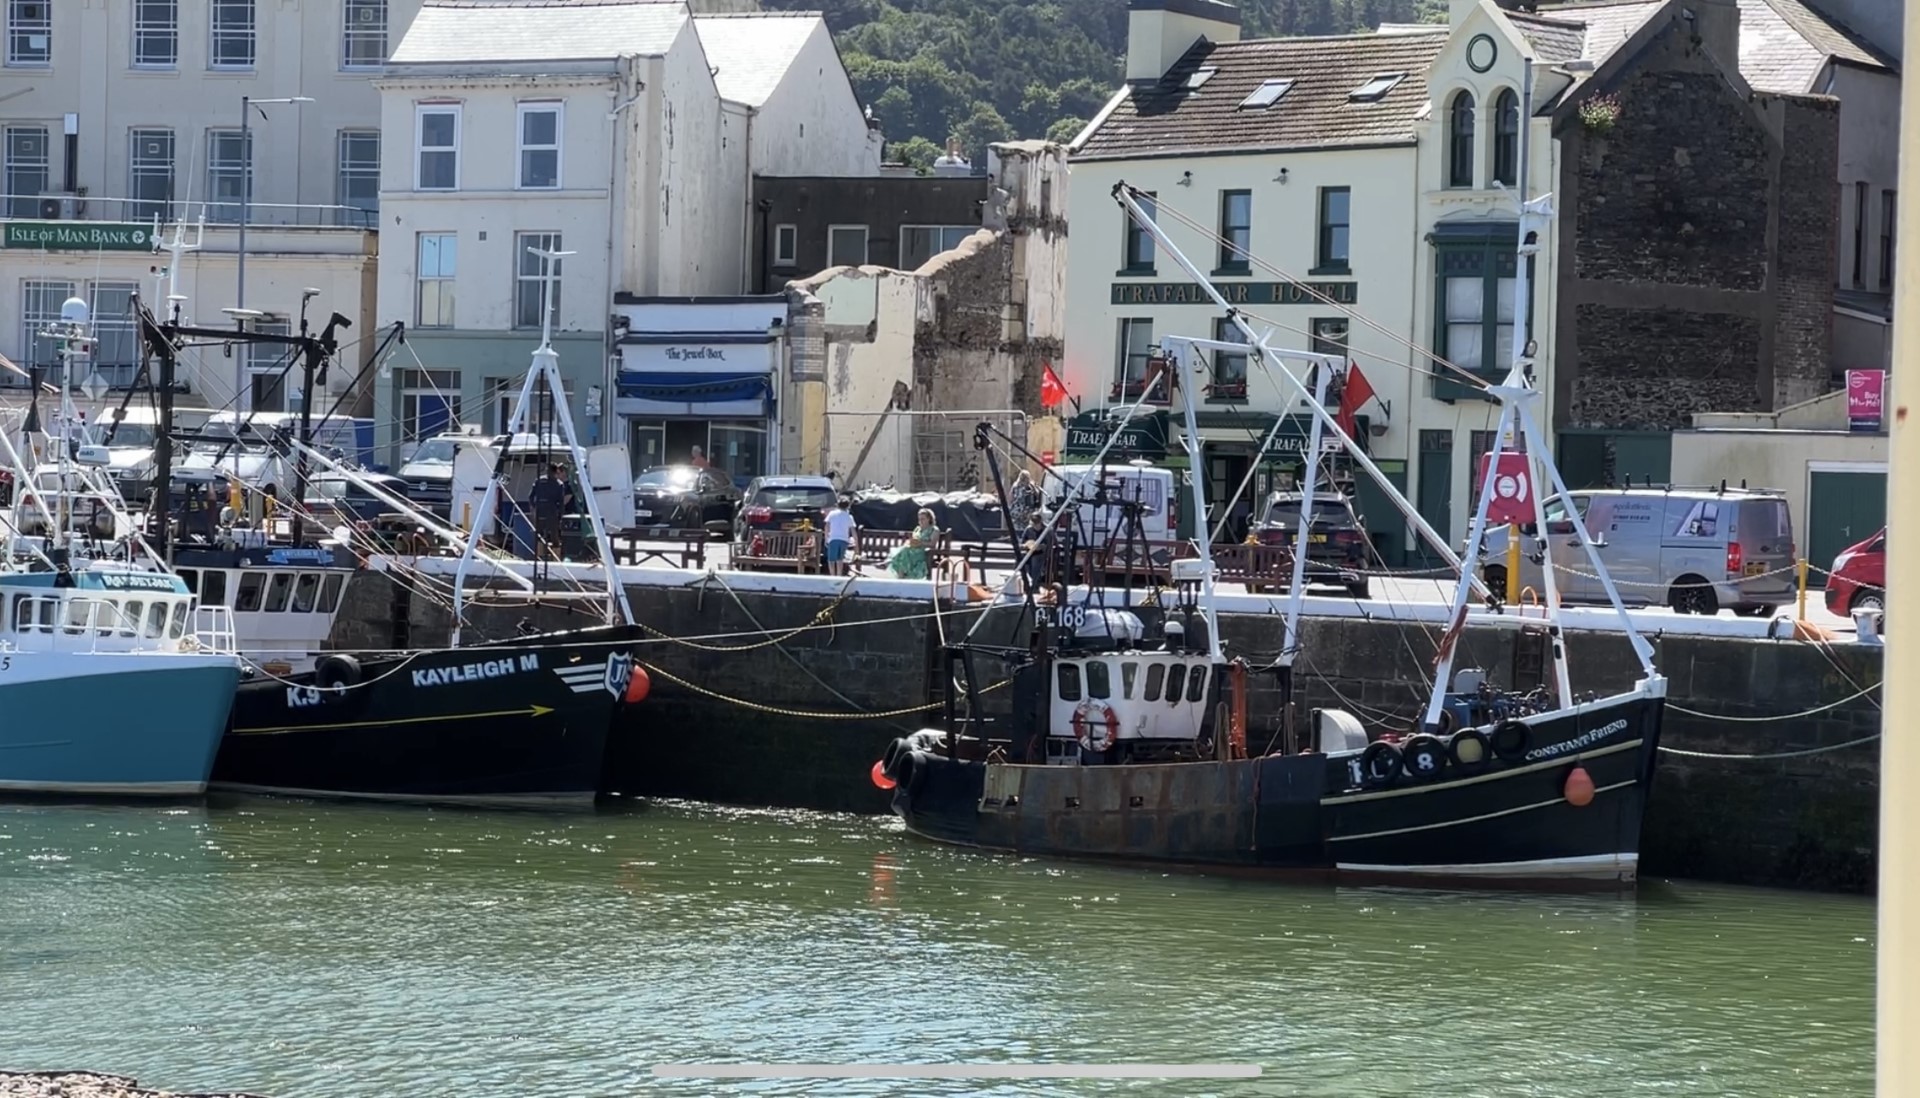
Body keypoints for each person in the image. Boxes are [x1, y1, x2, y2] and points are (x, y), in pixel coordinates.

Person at [528, 461, 569, 560]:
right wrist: (560, 516)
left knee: (539, 536)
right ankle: (556, 559)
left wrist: (534, 507)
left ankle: (539, 559)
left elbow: (530, 496)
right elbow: (561, 502)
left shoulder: (539, 481)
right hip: (552, 512)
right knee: (555, 538)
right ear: (556, 472)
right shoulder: (559, 484)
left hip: (540, 511)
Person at [886, 508, 940, 579]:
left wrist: (920, 543)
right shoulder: (917, 529)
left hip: (924, 552)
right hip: (912, 550)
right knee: (904, 550)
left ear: (929, 519)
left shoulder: (934, 529)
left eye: (923, 519)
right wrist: (911, 542)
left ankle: (900, 575)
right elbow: (912, 540)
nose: (920, 521)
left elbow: (932, 544)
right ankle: (901, 575)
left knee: (905, 551)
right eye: (919, 519)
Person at [824, 496, 855, 576]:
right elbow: (853, 531)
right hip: (844, 540)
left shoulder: (832, 514)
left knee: (831, 560)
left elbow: (827, 526)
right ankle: (839, 575)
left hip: (833, 538)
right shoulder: (849, 517)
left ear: (838, 505)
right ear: (848, 506)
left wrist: (826, 538)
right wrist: (856, 543)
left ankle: (832, 575)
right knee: (840, 559)